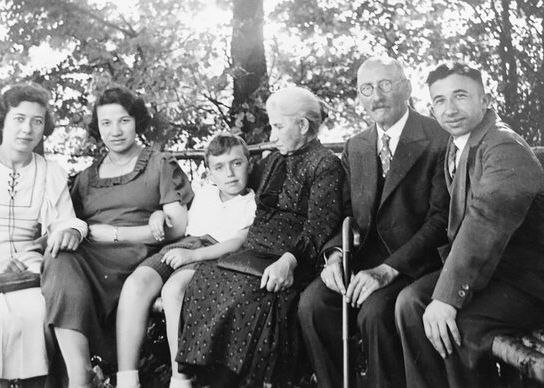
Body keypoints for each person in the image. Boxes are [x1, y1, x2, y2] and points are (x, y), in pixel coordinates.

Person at [395, 62, 544, 388]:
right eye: (440, 100)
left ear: (485, 100)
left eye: (460, 96)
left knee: (457, 322)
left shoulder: (503, 145)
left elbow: (487, 219)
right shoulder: (459, 144)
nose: (450, 108)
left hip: (533, 282)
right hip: (495, 275)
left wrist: (447, 298)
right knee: (409, 302)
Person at [174, 86, 344, 387]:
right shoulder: (275, 159)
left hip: (290, 257)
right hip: (252, 251)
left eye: (278, 126)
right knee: (207, 279)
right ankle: (208, 378)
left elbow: (320, 226)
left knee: (250, 297)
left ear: (302, 126)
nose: (273, 135)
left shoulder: (325, 164)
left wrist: (288, 263)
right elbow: (229, 178)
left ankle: (239, 380)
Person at [298, 56, 450, 388]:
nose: (376, 96)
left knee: (375, 313)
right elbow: (345, 212)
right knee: (313, 304)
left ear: (406, 88)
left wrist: (388, 270)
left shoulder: (439, 137)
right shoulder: (357, 145)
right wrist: (335, 256)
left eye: (385, 85)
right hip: (363, 260)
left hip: (413, 264)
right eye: (367, 88)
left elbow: (440, 221)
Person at [41, 86, 193, 388]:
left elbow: (176, 228)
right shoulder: (86, 178)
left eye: (123, 120)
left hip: (142, 254)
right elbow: (69, 223)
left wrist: (115, 233)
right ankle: (80, 375)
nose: (115, 131)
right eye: (106, 123)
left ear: (137, 121)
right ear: (97, 128)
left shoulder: (158, 163)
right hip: (93, 258)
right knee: (58, 258)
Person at [115, 133, 257, 388]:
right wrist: (157, 216)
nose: (230, 173)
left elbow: (236, 242)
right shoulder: (205, 194)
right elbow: (181, 220)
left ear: (249, 163)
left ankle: (180, 378)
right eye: (219, 167)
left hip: (213, 254)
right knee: (138, 282)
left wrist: (193, 256)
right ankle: (126, 379)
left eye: (236, 163)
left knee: (173, 289)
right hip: (183, 245)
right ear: (210, 173)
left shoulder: (252, 203)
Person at [0, 83, 87, 387]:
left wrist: (69, 231)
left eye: (37, 121)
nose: (27, 129)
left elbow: (66, 220)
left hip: (29, 266)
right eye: (19, 118)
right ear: (2, 120)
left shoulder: (50, 170)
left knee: (39, 312)